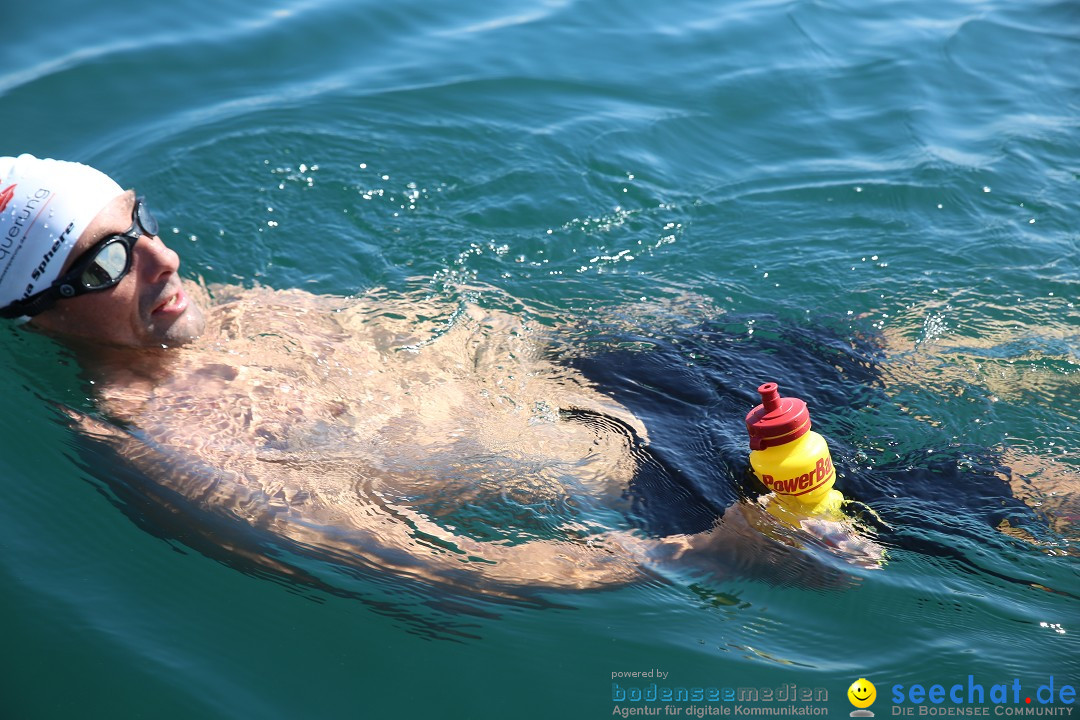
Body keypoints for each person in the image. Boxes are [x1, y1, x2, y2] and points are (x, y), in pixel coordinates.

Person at [0, 155, 894, 596]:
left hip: (629, 375)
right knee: (1013, 496)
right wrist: (709, 553)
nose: (163, 256)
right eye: (109, 260)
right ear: (37, 316)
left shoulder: (215, 306)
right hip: (667, 491)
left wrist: (638, 336)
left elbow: (447, 340)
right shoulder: (161, 444)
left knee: (899, 344)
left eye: (141, 220)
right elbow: (442, 570)